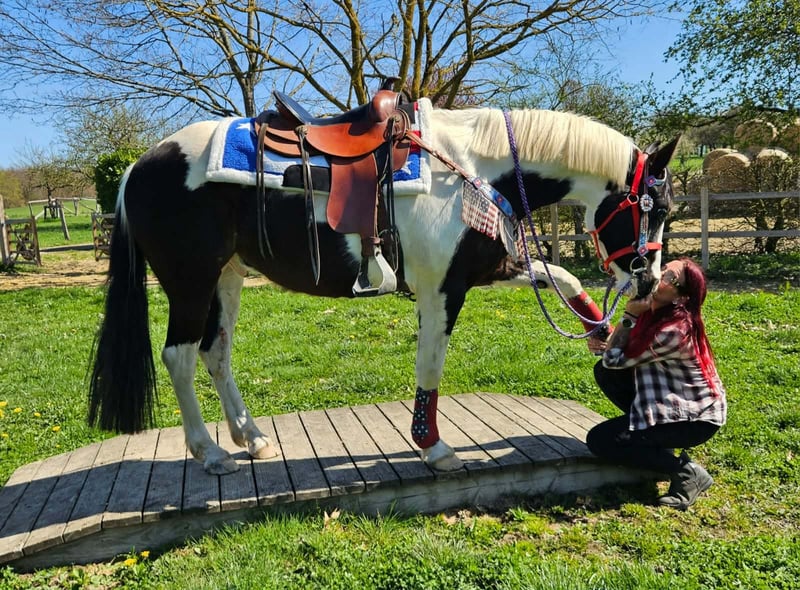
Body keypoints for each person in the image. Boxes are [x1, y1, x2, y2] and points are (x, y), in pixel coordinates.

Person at [585, 257, 727, 510]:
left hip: (694, 420)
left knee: (601, 440)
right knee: (605, 373)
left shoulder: (675, 331)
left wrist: (629, 315)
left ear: (681, 298)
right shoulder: (656, 314)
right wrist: (604, 344)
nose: (658, 275)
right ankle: (650, 439)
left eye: (670, 278)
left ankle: (687, 472)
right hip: (671, 404)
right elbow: (616, 355)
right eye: (662, 268)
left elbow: (615, 359)